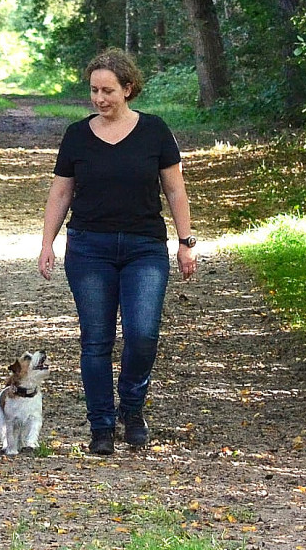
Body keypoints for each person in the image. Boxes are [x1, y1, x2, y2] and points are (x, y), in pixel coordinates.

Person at [37, 48, 197, 455]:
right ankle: (101, 426)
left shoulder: (155, 131)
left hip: (145, 247)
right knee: (96, 340)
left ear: (128, 89)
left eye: (107, 91)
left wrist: (186, 242)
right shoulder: (77, 135)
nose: (99, 98)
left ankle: (132, 408)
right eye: (94, 90)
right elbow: (61, 192)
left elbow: (175, 190)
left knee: (142, 335)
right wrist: (47, 243)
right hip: (89, 248)